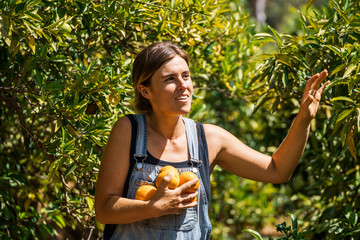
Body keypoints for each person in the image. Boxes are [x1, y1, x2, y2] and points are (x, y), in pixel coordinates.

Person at [95, 42, 329, 239]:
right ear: (145, 91)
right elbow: (104, 210)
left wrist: (303, 119)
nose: (183, 85)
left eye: (185, 76)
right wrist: (152, 208)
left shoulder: (208, 139)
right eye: (170, 79)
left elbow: (278, 170)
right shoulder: (129, 131)